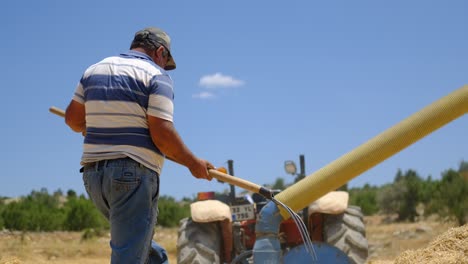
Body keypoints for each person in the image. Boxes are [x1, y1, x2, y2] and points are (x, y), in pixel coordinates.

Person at [65, 27, 214, 264]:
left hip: (93, 176)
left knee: (148, 252)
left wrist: (95, 124)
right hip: (130, 175)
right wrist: (193, 164)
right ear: (160, 52)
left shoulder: (94, 70)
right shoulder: (156, 75)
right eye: (166, 60)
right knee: (130, 254)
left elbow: (72, 120)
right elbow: (162, 134)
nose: (165, 66)